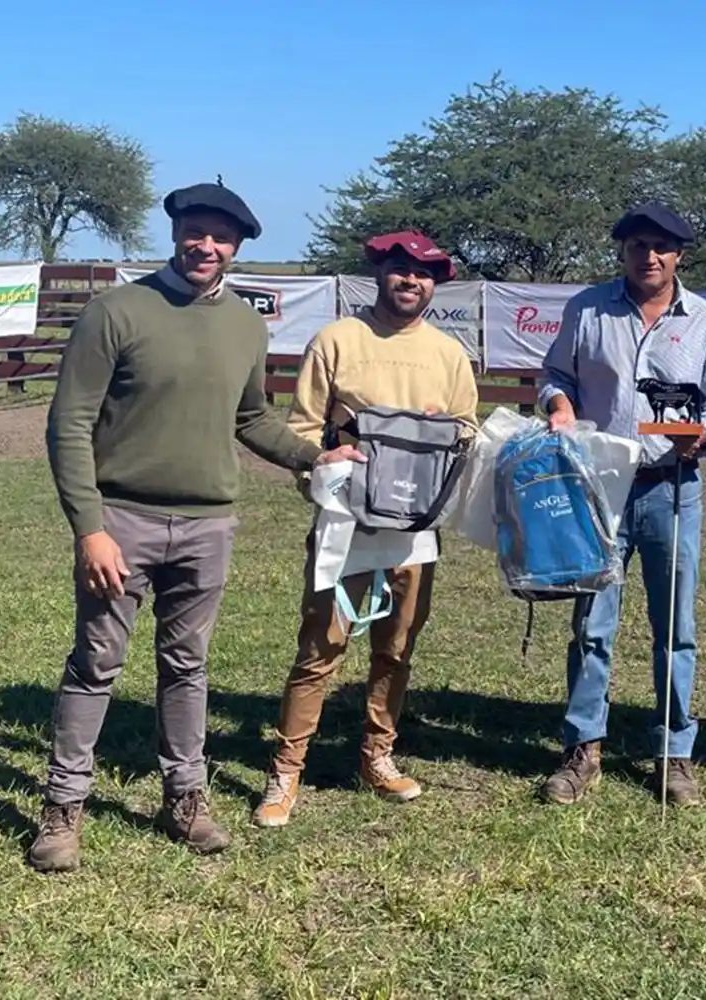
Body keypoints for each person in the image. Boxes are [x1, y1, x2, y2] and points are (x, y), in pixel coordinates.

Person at [31, 180, 363, 873]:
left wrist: (314, 456)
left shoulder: (246, 323)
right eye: (196, 231)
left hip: (209, 524)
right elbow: (68, 425)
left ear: (237, 247)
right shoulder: (116, 311)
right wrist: (89, 528)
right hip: (122, 518)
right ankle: (63, 808)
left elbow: (250, 417)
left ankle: (185, 797)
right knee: (96, 665)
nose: (206, 246)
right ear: (176, 231)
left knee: (187, 665)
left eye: (221, 237)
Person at [251, 230, 478, 826]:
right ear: (379, 273)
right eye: (400, 269)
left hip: (412, 532)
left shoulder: (449, 354)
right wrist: (324, 467)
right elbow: (303, 430)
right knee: (321, 647)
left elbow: (468, 434)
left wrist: (444, 435)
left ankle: (377, 754)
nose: (411, 281)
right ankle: (286, 770)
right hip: (347, 525)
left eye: (424, 274)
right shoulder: (337, 340)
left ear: (436, 284)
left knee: (396, 648)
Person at [535, 201, 706, 807]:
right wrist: (559, 404)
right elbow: (554, 375)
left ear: (679, 254)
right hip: (599, 488)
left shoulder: (704, 322)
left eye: (661, 247)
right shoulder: (587, 310)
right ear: (622, 252)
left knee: (675, 626)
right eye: (636, 246)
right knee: (592, 624)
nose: (648, 257)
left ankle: (674, 752)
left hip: (673, 491)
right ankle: (582, 748)